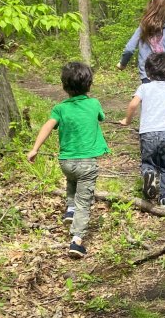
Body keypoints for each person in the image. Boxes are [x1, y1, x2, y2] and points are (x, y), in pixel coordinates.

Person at [27, 62, 109, 259]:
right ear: (89, 84)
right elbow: (101, 117)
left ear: (64, 86)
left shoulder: (60, 108)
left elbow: (47, 126)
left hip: (66, 162)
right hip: (87, 163)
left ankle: (70, 209)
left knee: (72, 181)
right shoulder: (94, 104)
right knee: (84, 201)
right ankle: (77, 240)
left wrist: (35, 149)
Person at [119, 52, 165, 208]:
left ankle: (148, 175)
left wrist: (127, 120)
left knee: (148, 162)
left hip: (148, 133)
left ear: (148, 72)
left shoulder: (143, 88)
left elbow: (132, 105)